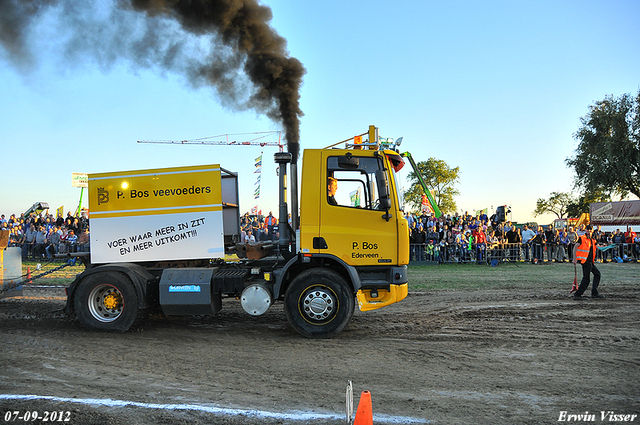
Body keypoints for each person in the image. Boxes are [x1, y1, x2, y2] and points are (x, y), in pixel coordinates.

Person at [573, 225, 604, 300]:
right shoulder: (582, 238)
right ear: (585, 230)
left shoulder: (592, 239)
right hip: (585, 261)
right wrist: (574, 258)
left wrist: (605, 247)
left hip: (590, 261)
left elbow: (597, 247)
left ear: (592, 231)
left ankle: (594, 292)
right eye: (588, 230)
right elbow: (575, 247)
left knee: (597, 274)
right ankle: (577, 294)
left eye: (590, 230)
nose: (589, 231)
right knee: (586, 279)